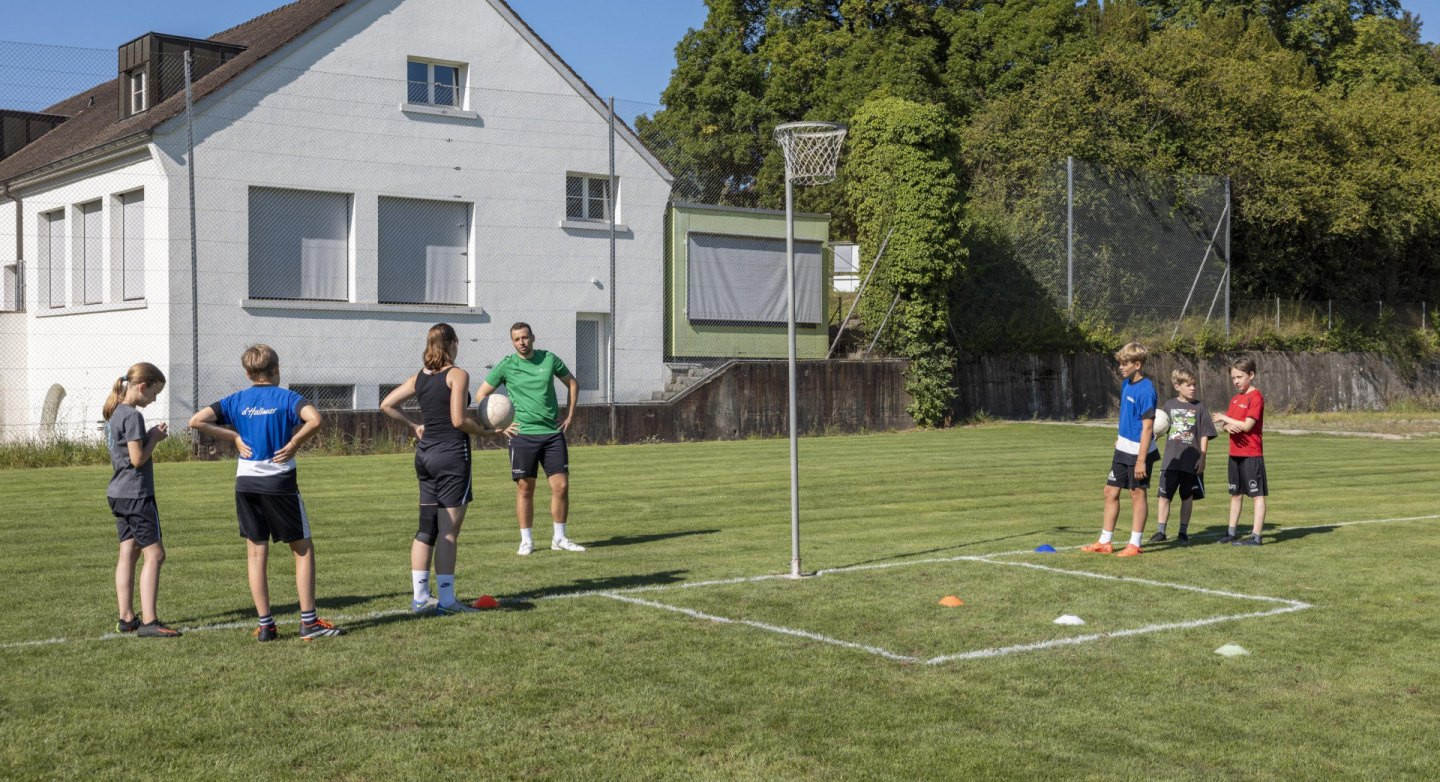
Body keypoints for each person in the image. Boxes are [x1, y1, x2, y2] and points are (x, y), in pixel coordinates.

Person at [188, 345, 344, 641]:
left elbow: (196, 420)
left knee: (256, 554)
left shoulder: (236, 400)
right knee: (302, 549)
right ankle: (308, 622)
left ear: (247, 373)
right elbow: (316, 419)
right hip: (279, 482)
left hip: (245, 482)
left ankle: (266, 625)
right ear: (277, 369)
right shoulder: (287, 397)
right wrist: (296, 442)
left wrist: (233, 435)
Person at [381, 323, 492, 615]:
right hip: (452, 457)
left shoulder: (419, 378)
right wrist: (486, 432)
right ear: (453, 343)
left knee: (425, 529)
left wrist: (414, 425)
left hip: (425, 456)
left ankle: (420, 598)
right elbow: (458, 420)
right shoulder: (458, 374)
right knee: (448, 531)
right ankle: (447, 600)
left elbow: (387, 404)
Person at [475, 322, 585, 555]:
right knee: (526, 488)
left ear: (532, 338)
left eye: (525, 337)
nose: (522, 342)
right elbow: (481, 394)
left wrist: (570, 414)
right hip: (522, 435)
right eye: (517, 339)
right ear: (512, 342)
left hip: (552, 434)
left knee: (561, 486)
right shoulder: (507, 365)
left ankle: (560, 538)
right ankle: (526, 540)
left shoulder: (548, 359)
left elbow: (572, 383)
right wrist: (500, 426)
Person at [103, 362, 181, 638]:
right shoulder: (133, 416)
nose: (155, 399)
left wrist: (148, 437)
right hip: (137, 495)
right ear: (142, 387)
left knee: (128, 552)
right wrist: (156, 438)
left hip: (118, 494)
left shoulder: (115, 413)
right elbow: (137, 459)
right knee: (155, 554)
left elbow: (126, 452)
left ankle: (126, 618)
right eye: (155, 393)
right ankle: (149, 621)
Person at [1081, 342, 1159, 557]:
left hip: (1140, 452)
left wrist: (1142, 460)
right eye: (1120, 363)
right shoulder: (1126, 384)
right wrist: (1120, 439)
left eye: (1125, 364)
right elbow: (1127, 417)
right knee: (1110, 491)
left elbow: (1147, 427)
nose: (1121, 367)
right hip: (1123, 448)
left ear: (1138, 364)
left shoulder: (1147, 390)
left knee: (1137, 493)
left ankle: (1135, 544)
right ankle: (1105, 541)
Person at [1148, 368, 1217, 546]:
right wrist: (1157, 434)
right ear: (1177, 386)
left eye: (1194, 385)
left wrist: (1202, 457)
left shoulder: (1200, 407)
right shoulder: (1169, 406)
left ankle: (1183, 532)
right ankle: (1161, 531)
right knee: (1164, 496)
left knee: (1187, 496)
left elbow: (1204, 433)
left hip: (1191, 462)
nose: (1193, 388)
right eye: (1189, 385)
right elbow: (1163, 426)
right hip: (1171, 460)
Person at [1213, 357, 1267, 546]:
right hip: (1234, 454)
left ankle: (1256, 536)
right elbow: (1228, 425)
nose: (1236, 381)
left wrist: (1223, 417)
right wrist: (1225, 426)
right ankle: (1231, 532)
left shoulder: (1256, 398)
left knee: (1256, 495)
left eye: (1239, 377)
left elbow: (1247, 425)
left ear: (1251, 375)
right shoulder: (1236, 399)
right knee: (1235, 494)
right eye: (1233, 378)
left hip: (1251, 455)